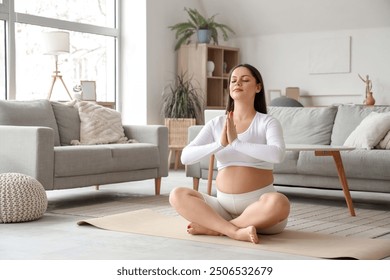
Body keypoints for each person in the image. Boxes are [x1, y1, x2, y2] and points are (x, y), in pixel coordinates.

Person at [169, 63, 290, 244]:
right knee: (177, 194)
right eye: (233, 80)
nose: (237, 83)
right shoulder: (216, 123)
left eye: (245, 80)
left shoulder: (267, 122)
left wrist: (237, 143)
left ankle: (217, 229)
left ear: (258, 87)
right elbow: (186, 156)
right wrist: (220, 144)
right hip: (221, 206)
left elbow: (277, 154)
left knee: (279, 203)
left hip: (260, 210)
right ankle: (233, 231)